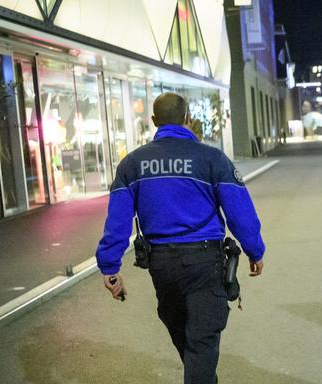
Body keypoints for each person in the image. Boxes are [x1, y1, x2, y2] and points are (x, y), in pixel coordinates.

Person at [95, 93, 265, 384]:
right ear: (188, 119)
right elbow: (240, 211)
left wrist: (110, 268)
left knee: (188, 340)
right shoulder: (211, 159)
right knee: (200, 344)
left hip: (162, 266)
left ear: (153, 121)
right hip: (205, 262)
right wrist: (255, 250)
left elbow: (117, 222)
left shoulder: (132, 164)